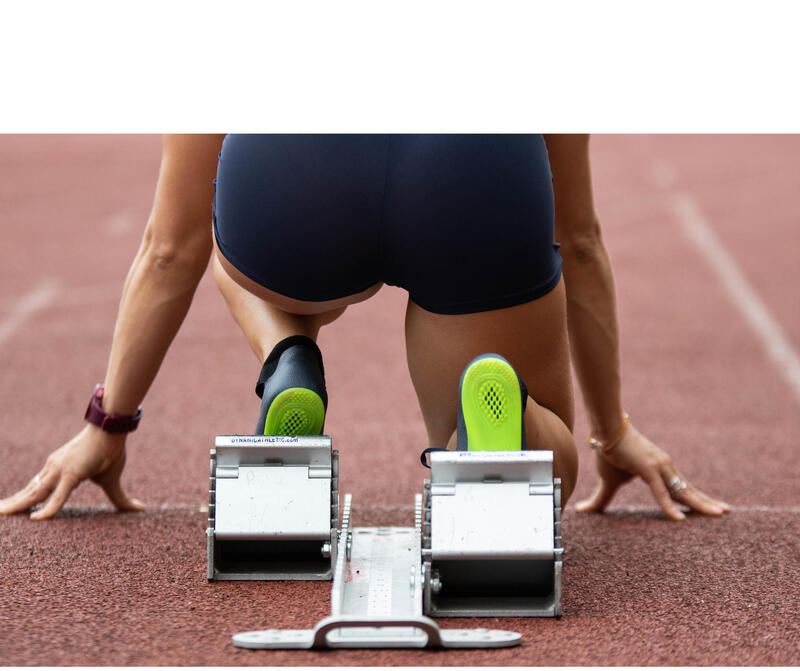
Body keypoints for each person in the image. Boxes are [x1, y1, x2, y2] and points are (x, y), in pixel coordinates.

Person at [0, 134, 729, 522]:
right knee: (545, 468)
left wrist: (109, 421)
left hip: (298, 180)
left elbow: (169, 248)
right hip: (473, 172)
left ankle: (288, 354)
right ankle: (507, 416)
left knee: (217, 242)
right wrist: (610, 430)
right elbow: (581, 236)